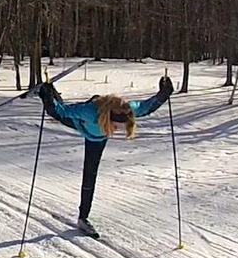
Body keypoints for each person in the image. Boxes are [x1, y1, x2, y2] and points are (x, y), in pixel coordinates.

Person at [36, 75, 174, 238]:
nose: (116, 130)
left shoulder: (128, 109)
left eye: (120, 128)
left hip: (97, 137)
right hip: (81, 124)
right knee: (61, 113)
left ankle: (83, 218)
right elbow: (61, 111)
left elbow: (147, 107)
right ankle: (48, 89)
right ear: (107, 119)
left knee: (90, 174)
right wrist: (47, 99)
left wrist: (164, 93)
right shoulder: (89, 112)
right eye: (115, 126)